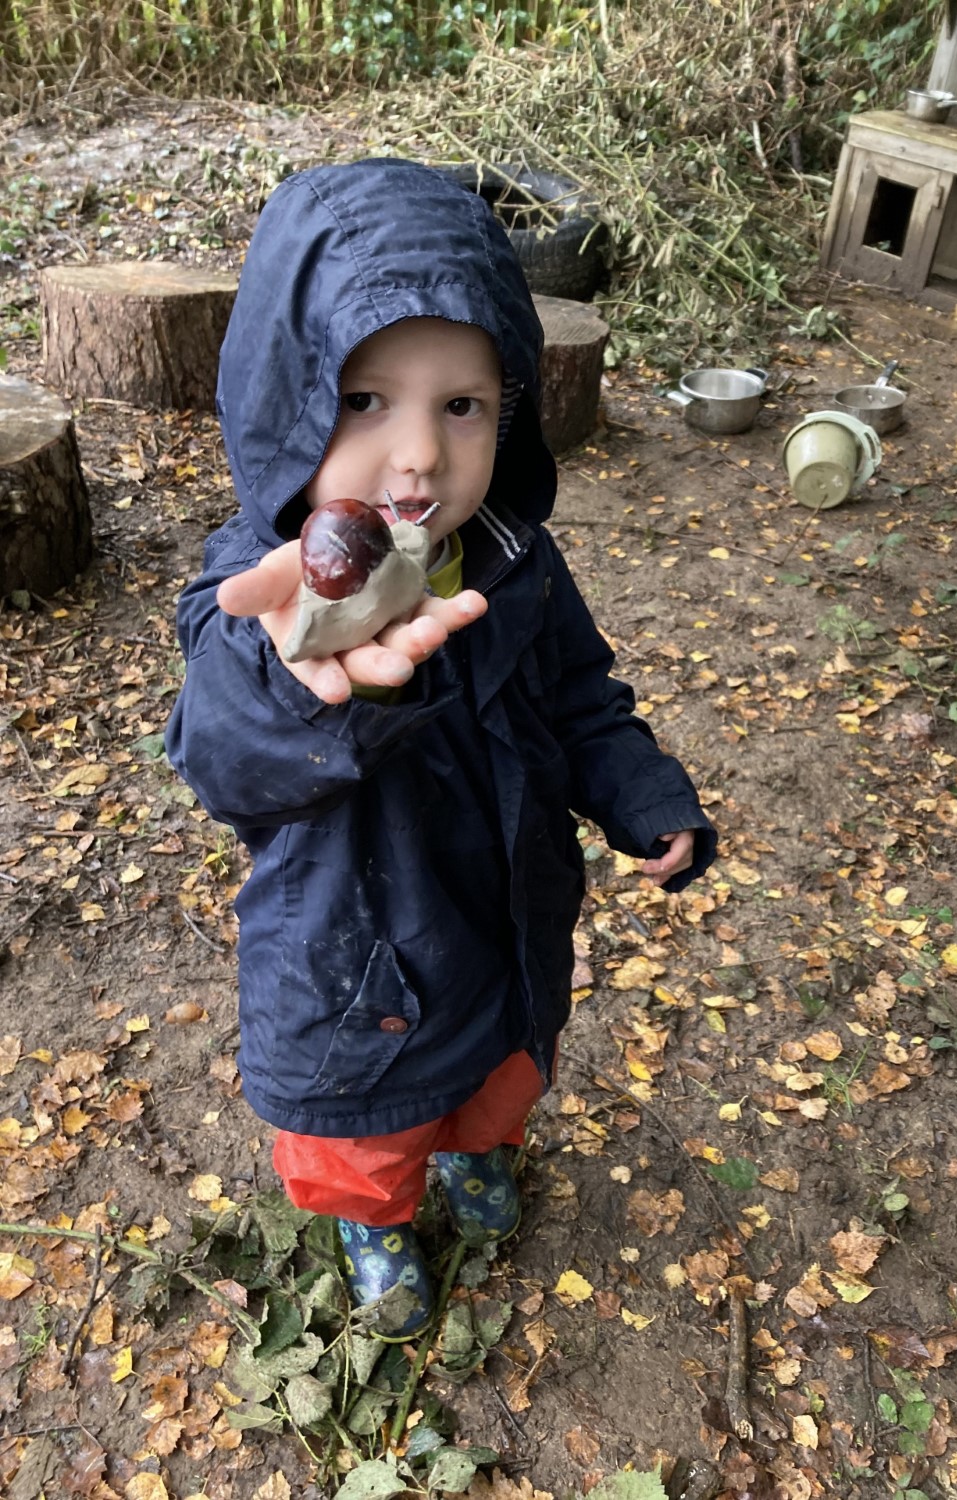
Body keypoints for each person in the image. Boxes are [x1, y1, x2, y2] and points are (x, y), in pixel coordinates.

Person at [166, 159, 718, 1340]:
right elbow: (220, 752)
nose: (416, 455)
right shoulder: (252, 596)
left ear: (506, 408)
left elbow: (580, 697)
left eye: (459, 405)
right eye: (364, 402)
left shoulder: (516, 557)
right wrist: (295, 680)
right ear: (287, 403)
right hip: (354, 963)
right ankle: (375, 1230)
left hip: (506, 917)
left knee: (495, 1081)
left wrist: (640, 793)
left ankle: (473, 1159)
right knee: (367, 1137)